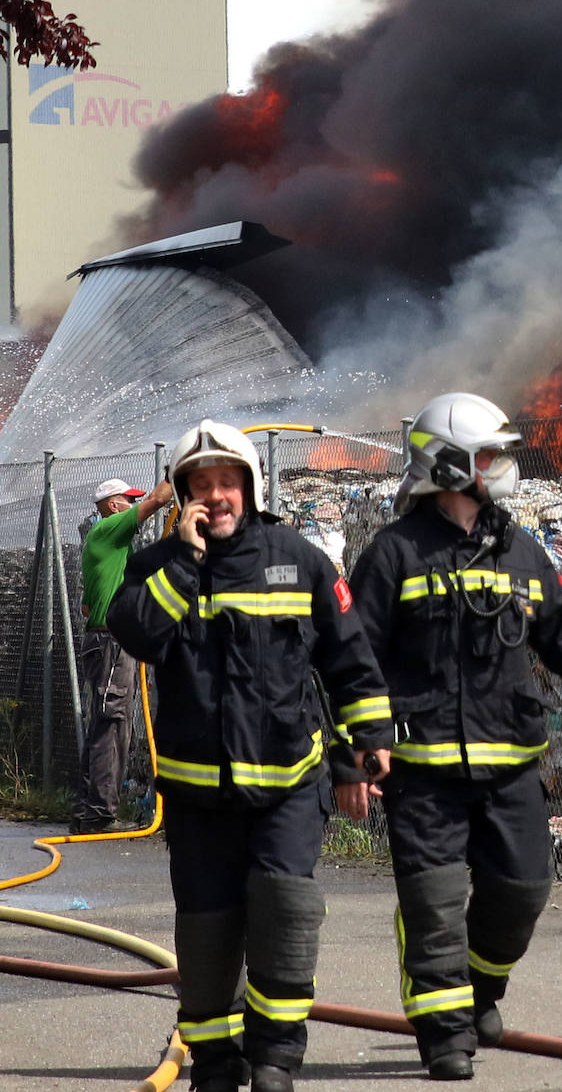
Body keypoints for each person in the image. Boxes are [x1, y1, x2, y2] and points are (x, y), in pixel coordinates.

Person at [346, 391, 562, 1082]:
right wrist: (362, 748)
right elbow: (353, 658)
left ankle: (481, 988)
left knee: (522, 891)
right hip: (423, 771)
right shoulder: (393, 554)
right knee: (432, 907)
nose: (503, 466)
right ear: (452, 464)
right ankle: (443, 1034)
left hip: (509, 768)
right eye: (491, 454)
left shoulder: (519, 549)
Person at [107, 420, 393, 1092]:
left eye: (226, 482)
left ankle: (276, 1055)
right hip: (198, 798)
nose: (216, 496)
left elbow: (348, 659)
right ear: (182, 496)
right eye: (200, 485)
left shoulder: (298, 560)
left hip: (289, 785)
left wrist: (367, 745)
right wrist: (183, 561)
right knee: (206, 935)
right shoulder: (156, 567)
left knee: (284, 908)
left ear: (250, 486)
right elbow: (140, 635)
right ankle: (214, 1059)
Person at [71, 474, 174, 834]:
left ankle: (90, 808)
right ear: (114, 506)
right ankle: (99, 813)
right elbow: (158, 500)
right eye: (128, 501)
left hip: (108, 643)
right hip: (112, 644)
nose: (133, 505)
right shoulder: (109, 530)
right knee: (112, 725)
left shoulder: (107, 547)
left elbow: (86, 607)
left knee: (107, 723)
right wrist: (179, 469)